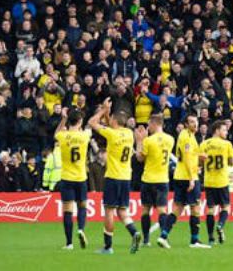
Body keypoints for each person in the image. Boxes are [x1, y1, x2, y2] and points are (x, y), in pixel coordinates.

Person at [88, 99, 141, 255]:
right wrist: (107, 113)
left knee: (109, 211)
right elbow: (108, 124)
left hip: (113, 176)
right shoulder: (129, 134)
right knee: (122, 210)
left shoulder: (111, 134)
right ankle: (134, 233)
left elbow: (92, 122)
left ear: (115, 121)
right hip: (126, 177)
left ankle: (108, 246)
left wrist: (102, 110)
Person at [159, 115, 210, 248]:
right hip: (188, 177)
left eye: (196, 121)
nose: (195, 124)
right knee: (195, 208)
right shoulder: (186, 136)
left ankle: (163, 236)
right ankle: (195, 240)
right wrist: (192, 178)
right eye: (192, 122)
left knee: (178, 208)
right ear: (186, 124)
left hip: (180, 176)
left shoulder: (189, 136)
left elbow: (190, 155)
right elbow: (187, 157)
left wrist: (199, 156)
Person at [135, 113, 175, 248]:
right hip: (163, 179)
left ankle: (146, 240)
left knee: (146, 210)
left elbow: (140, 158)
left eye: (149, 124)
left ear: (154, 123)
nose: (148, 127)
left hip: (148, 179)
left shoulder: (148, 141)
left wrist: (139, 141)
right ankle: (164, 236)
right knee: (162, 209)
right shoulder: (170, 139)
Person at [54, 107, 91, 250]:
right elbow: (89, 128)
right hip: (81, 177)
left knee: (67, 211)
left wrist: (63, 118)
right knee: (82, 206)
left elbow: (56, 133)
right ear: (80, 121)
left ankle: (69, 243)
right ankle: (81, 228)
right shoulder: (85, 136)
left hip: (66, 178)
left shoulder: (63, 136)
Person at [200, 120, 233, 245]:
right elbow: (231, 162)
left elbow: (200, 162)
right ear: (217, 130)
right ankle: (220, 225)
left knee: (210, 210)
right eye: (224, 130)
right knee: (226, 207)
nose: (226, 132)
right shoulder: (227, 144)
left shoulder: (204, 144)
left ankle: (210, 238)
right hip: (222, 181)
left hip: (209, 181)